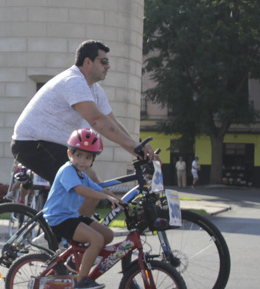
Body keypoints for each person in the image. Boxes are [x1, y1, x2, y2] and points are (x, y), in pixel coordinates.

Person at [11, 40, 155, 215]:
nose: (108, 66)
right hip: (32, 144)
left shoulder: (95, 90)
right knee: (89, 187)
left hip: (54, 145)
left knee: (95, 188)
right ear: (88, 62)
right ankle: (59, 236)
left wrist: (138, 149)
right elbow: (98, 122)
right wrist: (136, 149)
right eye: (103, 61)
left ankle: (75, 238)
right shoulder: (73, 81)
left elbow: (113, 123)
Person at [45, 129, 127, 289]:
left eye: (88, 157)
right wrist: (107, 199)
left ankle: (76, 263)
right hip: (59, 219)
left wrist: (120, 201)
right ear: (70, 153)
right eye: (79, 155)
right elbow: (80, 190)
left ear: (93, 160)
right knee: (96, 240)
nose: (83, 160)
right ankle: (82, 280)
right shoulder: (67, 170)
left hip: (73, 217)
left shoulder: (81, 174)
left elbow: (99, 189)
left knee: (107, 236)